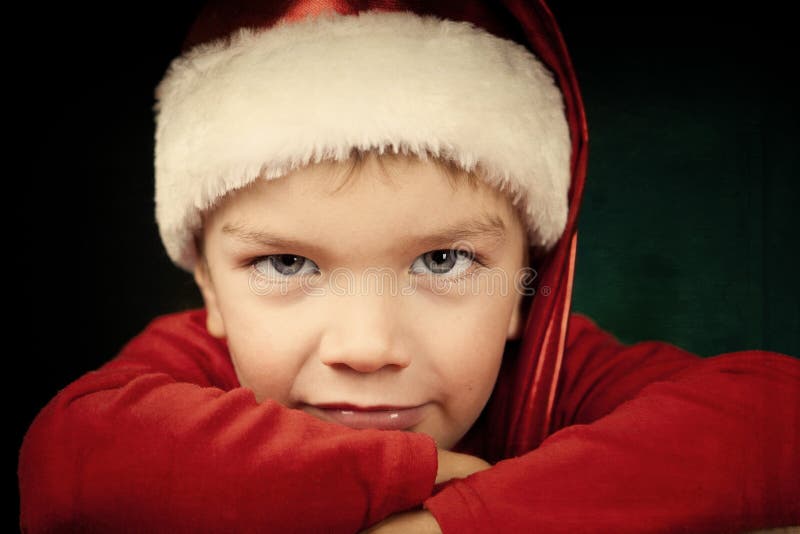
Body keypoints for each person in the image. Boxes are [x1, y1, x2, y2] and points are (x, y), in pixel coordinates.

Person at [18, 1, 799, 532]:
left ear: (529, 289)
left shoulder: (554, 368)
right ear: (210, 291)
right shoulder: (188, 370)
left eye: (444, 258)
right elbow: (71, 459)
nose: (365, 346)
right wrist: (408, 470)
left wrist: (448, 519)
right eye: (286, 262)